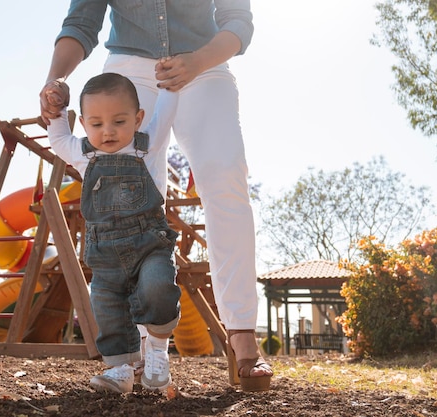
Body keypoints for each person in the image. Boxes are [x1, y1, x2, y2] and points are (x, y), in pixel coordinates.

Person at [39, 1, 273, 392]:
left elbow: (238, 22)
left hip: (205, 64)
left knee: (224, 173)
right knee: (131, 189)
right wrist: (53, 81)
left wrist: (196, 61)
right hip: (129, 71)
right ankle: (139, 347)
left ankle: (242, 334)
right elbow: (81, 22)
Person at [46, 71, 182, 394]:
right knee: (107, 307)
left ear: (137, 119)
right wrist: (54, 110)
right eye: (96, 124)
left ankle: (158, 353)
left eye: (119, 122)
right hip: (105, 254)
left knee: (159, 287)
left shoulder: (146, 146)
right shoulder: (83, 154)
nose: (107, 132)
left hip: (149, 243)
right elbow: (57, 140)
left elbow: (166, 112)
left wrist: (170, 84)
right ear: (82, 124)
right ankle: (121, 368)